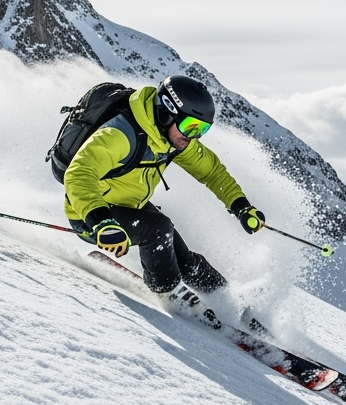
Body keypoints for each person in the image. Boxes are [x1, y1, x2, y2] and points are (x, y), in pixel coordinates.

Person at [64, 74, 265, 295]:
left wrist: (240, 206)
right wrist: (101, 221)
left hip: (129, 205)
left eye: (202, 129)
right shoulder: (120, 135)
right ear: (167, 112)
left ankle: (226, 297)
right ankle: (167, 291)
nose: (193, 136)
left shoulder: (171, 139)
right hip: (91, 214)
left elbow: (212, 172)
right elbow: (78, 174)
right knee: (158, 229)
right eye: (190, 126)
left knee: (182, 256)